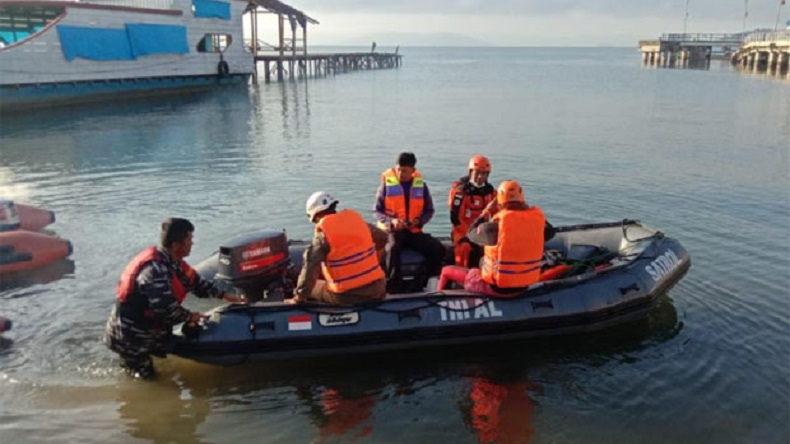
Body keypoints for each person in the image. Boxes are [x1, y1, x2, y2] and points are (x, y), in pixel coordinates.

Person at [103, 218, 247, 379]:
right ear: (176, 245)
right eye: (189, 240)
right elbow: (165, 310)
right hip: (131, 335)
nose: (192, 243)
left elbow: (197, 284)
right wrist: (190, 316)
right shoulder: (154, 271)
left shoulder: (172, 262)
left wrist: (226, 296)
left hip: (150, 330)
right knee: (145, 377)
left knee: (164, 364)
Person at [437, 180, 555, 296]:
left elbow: (471, 234)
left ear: (499, 203)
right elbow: (550, 232)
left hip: (497, 288)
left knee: (446, 271)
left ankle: (438, 300)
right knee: (481, 261)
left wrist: (487, 212)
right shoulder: (537, 225)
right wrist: (529, 212)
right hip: (524, 285)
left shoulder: (494, 228)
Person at [289, 191, 388, 306]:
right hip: (377, 288)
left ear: (317, 215)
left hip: (347, 295)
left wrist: (298, 297)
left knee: (314, 287)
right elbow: (382, 238)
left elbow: (310, 270)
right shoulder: (357, 223)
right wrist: (375, 260)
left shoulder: (323, 237)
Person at [373, 152, 446, 292]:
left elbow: (429, 210)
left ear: (413, 170)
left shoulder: (422, 186)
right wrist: (392, 221)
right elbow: (376, 211)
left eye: (405, 171)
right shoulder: (386, 186)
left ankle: (422, 282)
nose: (401, 173)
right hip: (394, 230)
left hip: (413, 230)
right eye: (399, 169)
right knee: (392, 249)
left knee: (438, 249)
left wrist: (419, 221)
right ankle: (393, 285)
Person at [448, 155, 496, 268]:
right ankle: (461, 276)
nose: (480, 176)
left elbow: (498, 215)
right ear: (470, 172)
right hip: (462, 231)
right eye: (477, 173)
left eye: (484, 174)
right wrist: (471, 234)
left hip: (483, 231)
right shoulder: (460, 192)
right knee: (464, 247)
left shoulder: (492, 193)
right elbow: (455, 219)